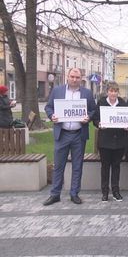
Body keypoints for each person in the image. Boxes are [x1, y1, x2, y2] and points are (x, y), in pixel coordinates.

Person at [43, 68, 97, 206]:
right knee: (58, 166)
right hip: (62, 133)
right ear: (68, 77)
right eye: (72, 76)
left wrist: (88, 118)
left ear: (81, 78)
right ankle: (55, 194)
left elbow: (93, 110)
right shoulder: (58, 91)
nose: (74, 79)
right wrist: (52, 116)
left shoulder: (87, 93)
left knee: (77, 166)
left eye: (77, 77)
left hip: (79, 134)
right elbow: (48, 107)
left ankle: (74, 193)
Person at [93, 81, 128, 202]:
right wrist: (99, 124)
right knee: (105, 167)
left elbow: (127, 119)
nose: (113, 93)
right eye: (111, 91)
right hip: (105, 141)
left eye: (115, 91)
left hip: (119, 141)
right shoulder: (102, 102)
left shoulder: (123, 104)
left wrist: (127, 127)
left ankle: (116, 191)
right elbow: (95, 119)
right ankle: (105, 192)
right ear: (107, 91)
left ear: (118, 92)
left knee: (116, 167)